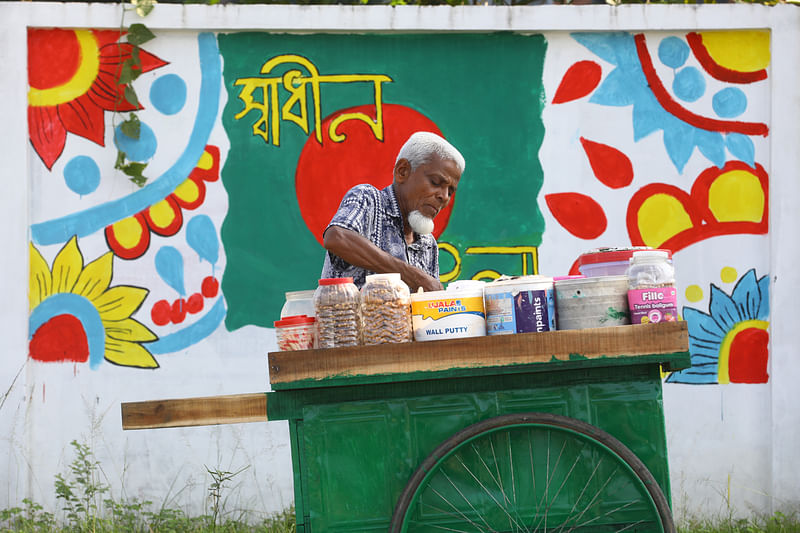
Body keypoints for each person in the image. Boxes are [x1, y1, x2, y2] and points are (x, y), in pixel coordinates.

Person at [320, 131, 465, 292]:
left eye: (450, 192)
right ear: (402, 171)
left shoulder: (427, 244)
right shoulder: (369, 200)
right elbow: (336, 237)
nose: (444, 197)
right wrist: (413, 276)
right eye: (435, 182)